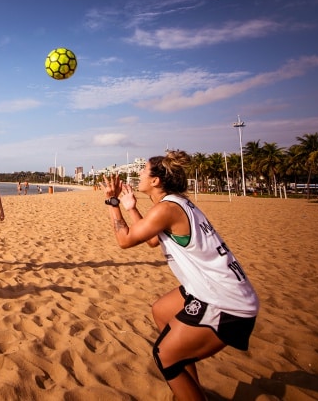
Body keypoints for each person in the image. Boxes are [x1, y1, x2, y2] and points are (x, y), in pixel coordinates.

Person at [101, 150, 259, 401]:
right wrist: (132, 208)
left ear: (156, 181)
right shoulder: (172, 204)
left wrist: (112, 203)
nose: (139, 174)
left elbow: (124, 240)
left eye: (143, 171)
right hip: (215, 289)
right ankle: (188, 391)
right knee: (162, 311)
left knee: (164, 356)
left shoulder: (167, 209)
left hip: (226, 301)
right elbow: (153, 240)